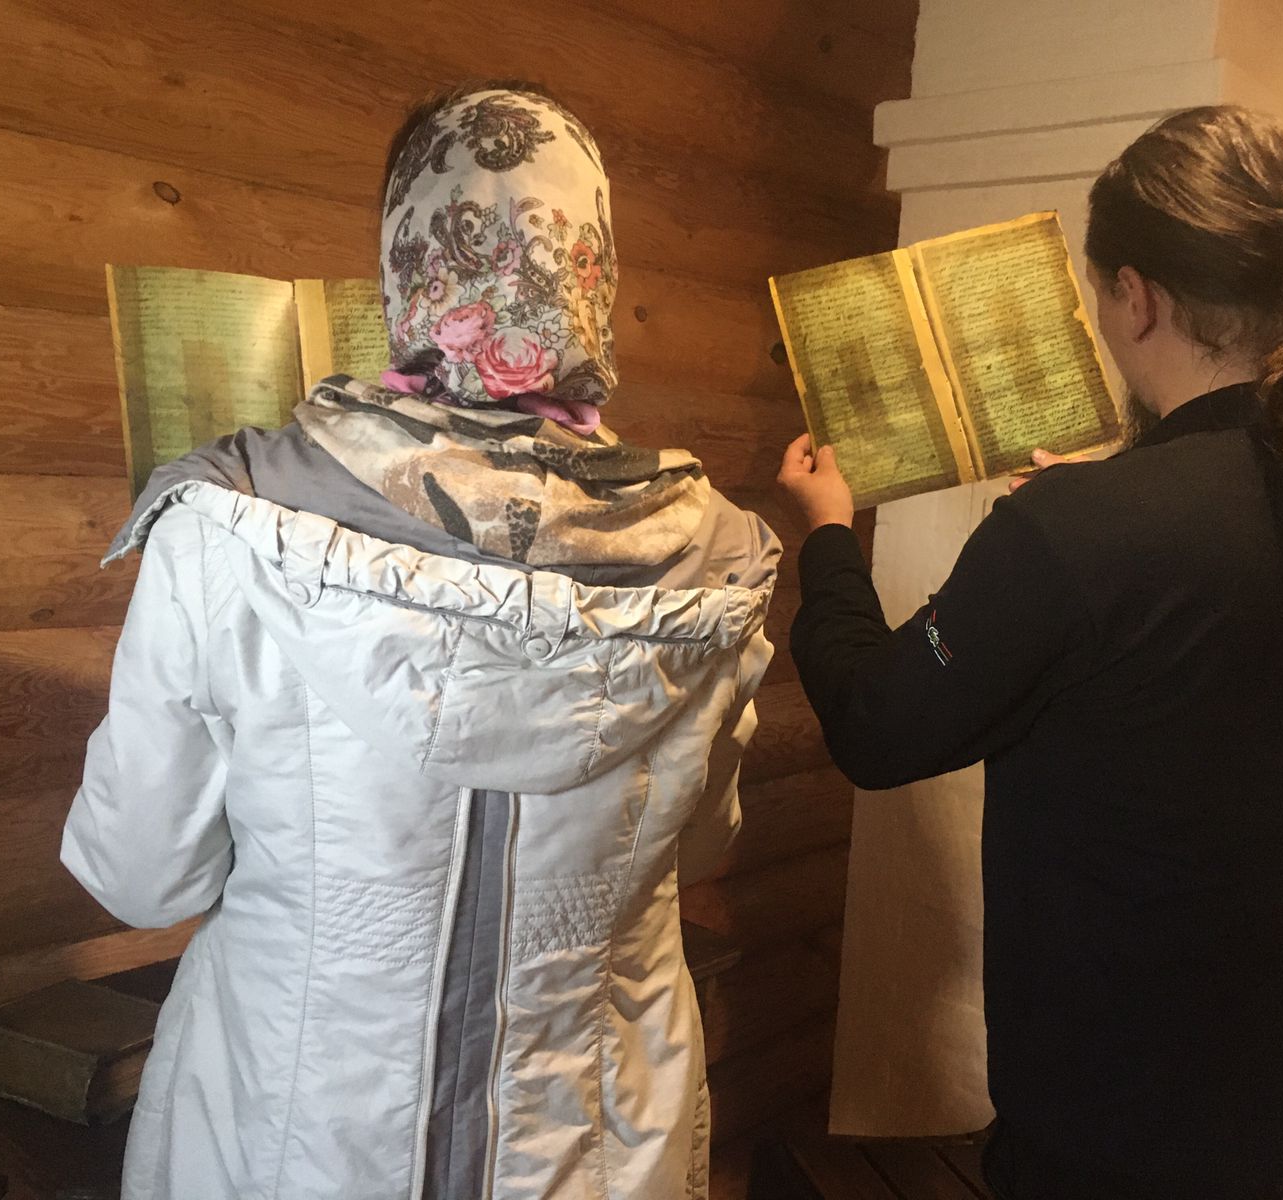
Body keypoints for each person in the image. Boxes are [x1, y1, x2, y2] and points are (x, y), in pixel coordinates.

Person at [63, 82, 778, 1200]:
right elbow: (700, 847)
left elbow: (141, 876)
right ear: (590, 269)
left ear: (406, 266)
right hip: (593, 1147)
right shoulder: (719, 550)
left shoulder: (227, 524)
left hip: (300, 1138)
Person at [777, 105, 1283, 1200]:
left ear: (1135, 295)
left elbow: (877, 724)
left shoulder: (1084, 533)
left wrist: (827, 533)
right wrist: (1099, 510)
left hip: (1112, 1106)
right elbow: (1231, 624)